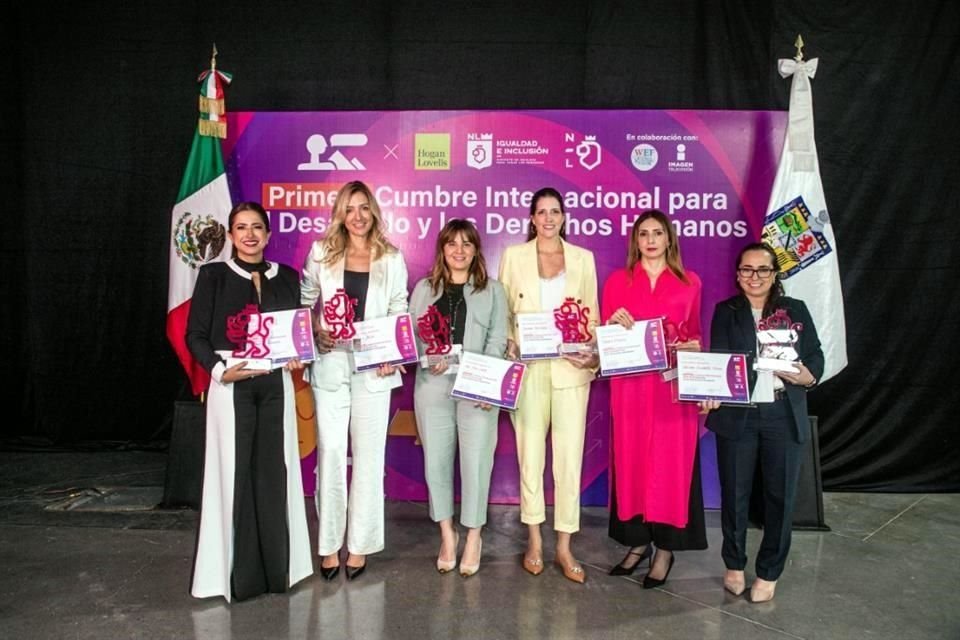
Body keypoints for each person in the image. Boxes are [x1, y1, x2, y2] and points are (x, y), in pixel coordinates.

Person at [186, 201, 313, 602]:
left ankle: (279, 572)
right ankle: (233, 578)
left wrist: (299, 355)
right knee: (233, 475)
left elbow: (299, 334)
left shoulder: (288, 277)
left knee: (275, 474)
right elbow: (196, 336)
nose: (250, 235)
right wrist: (221, 371)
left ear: (269, 234)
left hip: (276, 384)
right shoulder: (214, 276)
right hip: (232, 386)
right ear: (230, 234)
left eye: (257, 227)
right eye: (241, 228)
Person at [702, 242, 824, 603]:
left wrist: (807, 376)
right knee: (734, 496)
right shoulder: (727, 311)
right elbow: (719, 361)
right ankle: (734, 564)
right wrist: (710, 391)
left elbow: (815, 355)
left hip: (782, 415)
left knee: (779, 498)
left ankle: (770, 571)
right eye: (746, 270)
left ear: (775, 274)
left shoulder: (794, 310)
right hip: (739, 414)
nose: (754, 277)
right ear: (737, 274)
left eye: (762, 270)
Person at [301, 180, 409, 581]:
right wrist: (316, 330)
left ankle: (359, 546)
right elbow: (307, 301)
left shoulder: (391, 257)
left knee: (368, 458)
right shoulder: (320, 253)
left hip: (374, 370)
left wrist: (392, 354)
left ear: (374, 212)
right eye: (350, 209)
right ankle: (329, 546)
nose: (358, 216)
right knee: (329, 452)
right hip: (330, 365)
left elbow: (399, 309)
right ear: (340, 215)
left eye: (364, 208)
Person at [498, 187, 599, 584]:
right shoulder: (514, 257)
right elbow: (505, 313)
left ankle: (564, 545)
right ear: (532, 218)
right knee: (531, 459)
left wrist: (591, 352)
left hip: (571, 370)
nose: (548, 218)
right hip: (529, 371)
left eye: (555, 211)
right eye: (541, 212)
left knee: (569, 459)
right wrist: (510, 346)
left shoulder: (583, 259)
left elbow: (591, 316)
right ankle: (535, 540)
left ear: (564, 215)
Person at [603, 210, 708, 588]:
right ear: (635, 240)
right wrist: (611, 325)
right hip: (630, 390)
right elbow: (604, 340)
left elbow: (695, 335)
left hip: (670, 392)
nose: (650, 240)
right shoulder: (617, 281)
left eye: (657, 233)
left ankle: (664, 549)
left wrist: (695, 346)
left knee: (668, 469)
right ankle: (636, 544)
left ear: (669, 239)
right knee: (633, 466)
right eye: (643, 233)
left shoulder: (689, 282)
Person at [410, 219, 508, 577]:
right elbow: (413, 338)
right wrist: (427, 357)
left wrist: (488, 382)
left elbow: (498, 340)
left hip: (476, 388)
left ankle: (473, 536)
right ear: (442, 249)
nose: (459, 251)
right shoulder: (423, 288)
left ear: (476, 250)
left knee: (476, 463)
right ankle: (447, 534)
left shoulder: (493, 290)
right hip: (432, 387)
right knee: (435, 462)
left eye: (467, 244)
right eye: (452, 243)